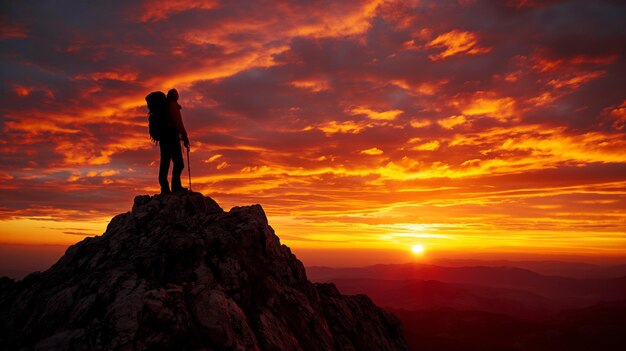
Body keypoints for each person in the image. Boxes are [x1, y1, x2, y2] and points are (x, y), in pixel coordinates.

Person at [159, 88, 189, 194]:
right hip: (172, 138)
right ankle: (176, 187)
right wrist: (185, 137)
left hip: (163, 139)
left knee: (165, 163)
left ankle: (165, 188)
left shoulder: (164, 106)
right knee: (179, 163)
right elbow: (178, 122)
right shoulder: (173, 105)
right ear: (176, 96)